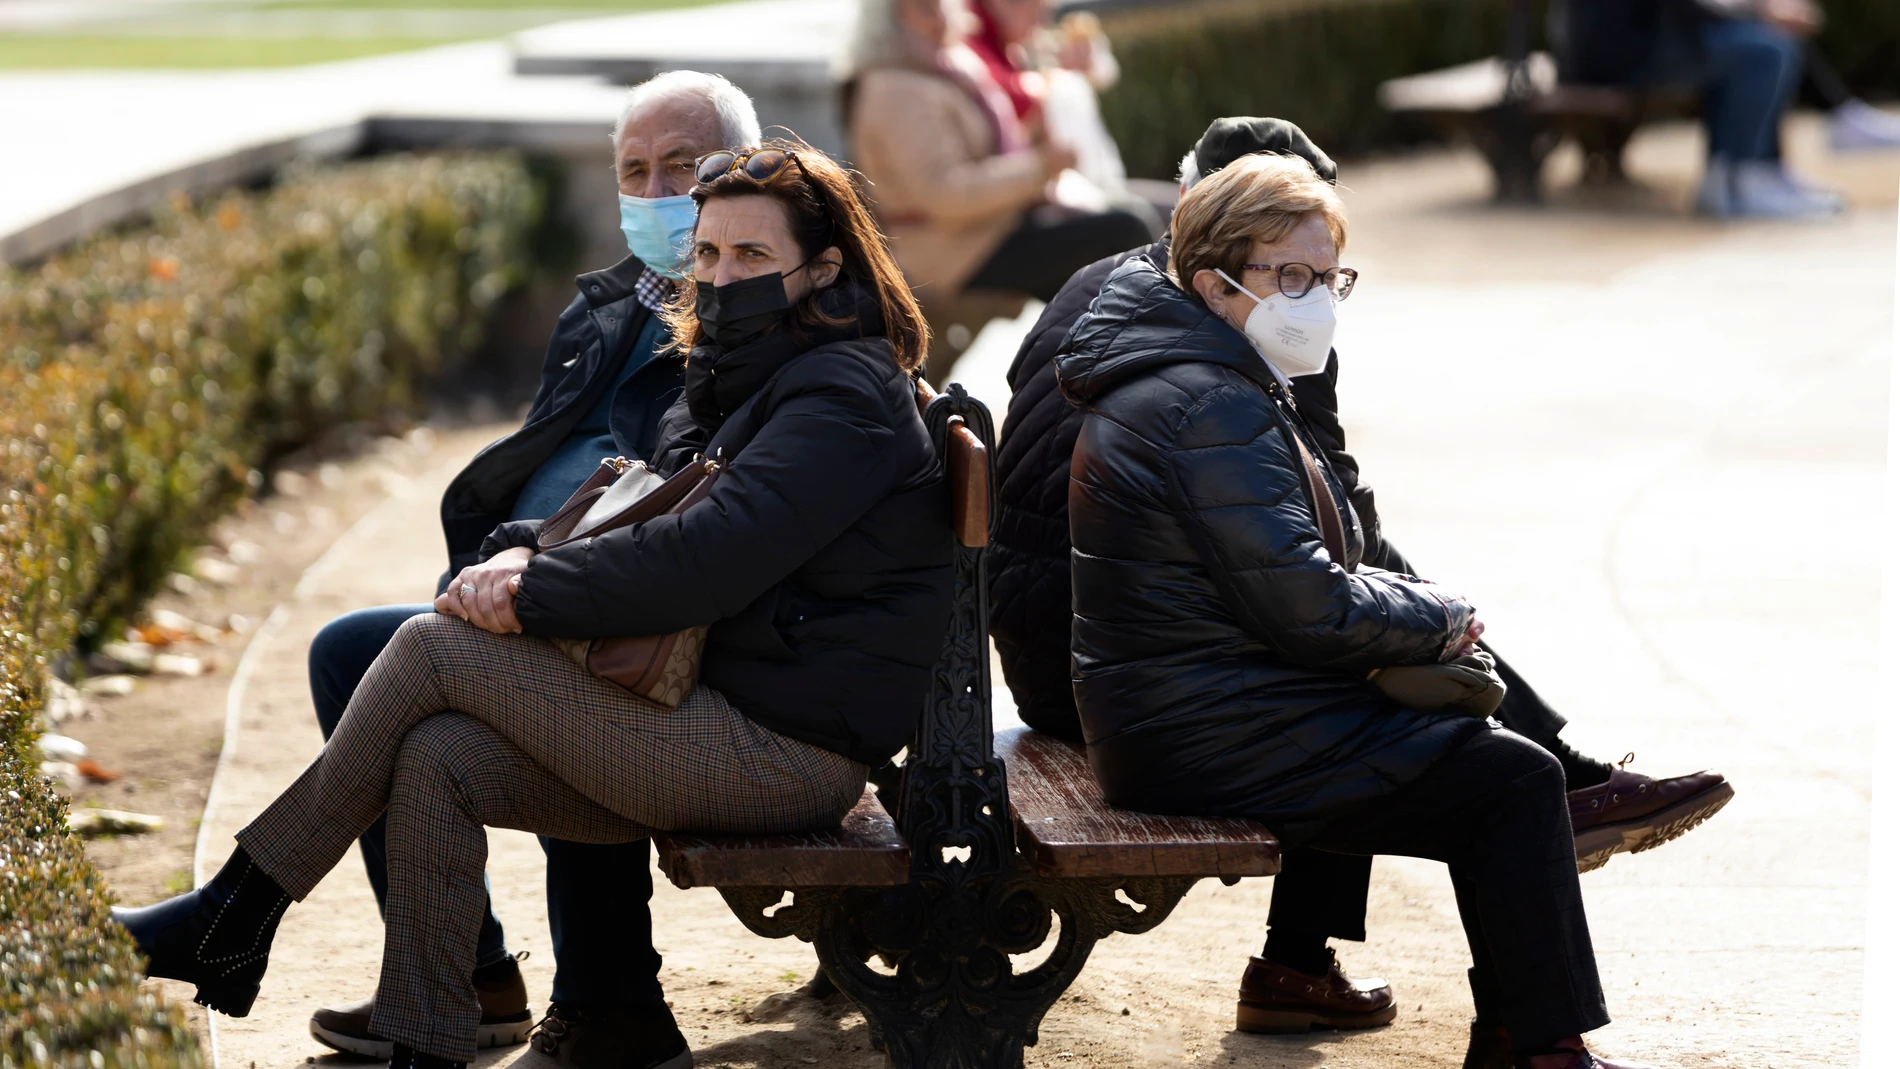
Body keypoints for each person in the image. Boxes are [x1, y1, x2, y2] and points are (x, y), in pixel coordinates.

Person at [113, 139, 953, 1069]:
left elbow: (708, 560)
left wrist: (529, 589)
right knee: (437, 757)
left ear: (823, 269)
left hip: (786, 750)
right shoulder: (742, 367)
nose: (719, 277)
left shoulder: (844, 393)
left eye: (753, 257)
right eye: (708, 255)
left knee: (432, 648)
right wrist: (520, 553)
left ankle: (234, 911)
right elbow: (644, 514)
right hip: (713, 708)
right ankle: (422, 1048)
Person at [990, 116, 1730, 1061]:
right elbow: (1310, 601)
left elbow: (1313, 550)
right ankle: (1539, 1046)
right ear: (1213, 273)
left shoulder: (1188, 352)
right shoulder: (1209, 395)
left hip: (1163, 680)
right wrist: (1441, 618)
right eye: (1289, 277)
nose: (1316, 304)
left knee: (1468, 749)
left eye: (1328, 279)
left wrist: (1411, 624)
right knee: (1509, 778)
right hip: (1173, 712)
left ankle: (1460, 1013)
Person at [283, 69, 759, 1068]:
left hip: (631, 610)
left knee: (461, 686)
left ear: (741, 172)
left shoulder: (742, 317)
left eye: (683, 165)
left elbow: (679, 507)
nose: (657, 188)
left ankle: (604, 999)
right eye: (636, 170)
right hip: (536, 582)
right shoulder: (602, 309)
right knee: (354, 657)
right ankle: (474, 976)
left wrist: (533, 578)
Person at [843, 0, 1153, 304]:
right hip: (950, 253)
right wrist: (1041, 167)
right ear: (888, 20)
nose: (939, 17)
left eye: (940, 5)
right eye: (923, 9)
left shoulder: (945, 67)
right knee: (1126, 229)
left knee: (1121, 229)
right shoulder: (895, 89)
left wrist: (1041, 137)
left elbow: (990, 150)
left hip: (987, 230)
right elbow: (945, 194)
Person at [1554, 0, 1850, 217]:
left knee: (1767, 42)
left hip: (1634, 43)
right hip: (1619, 53)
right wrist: (1758, 10)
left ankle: (1752, 173)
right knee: (1764, 52)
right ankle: (1741, 179)